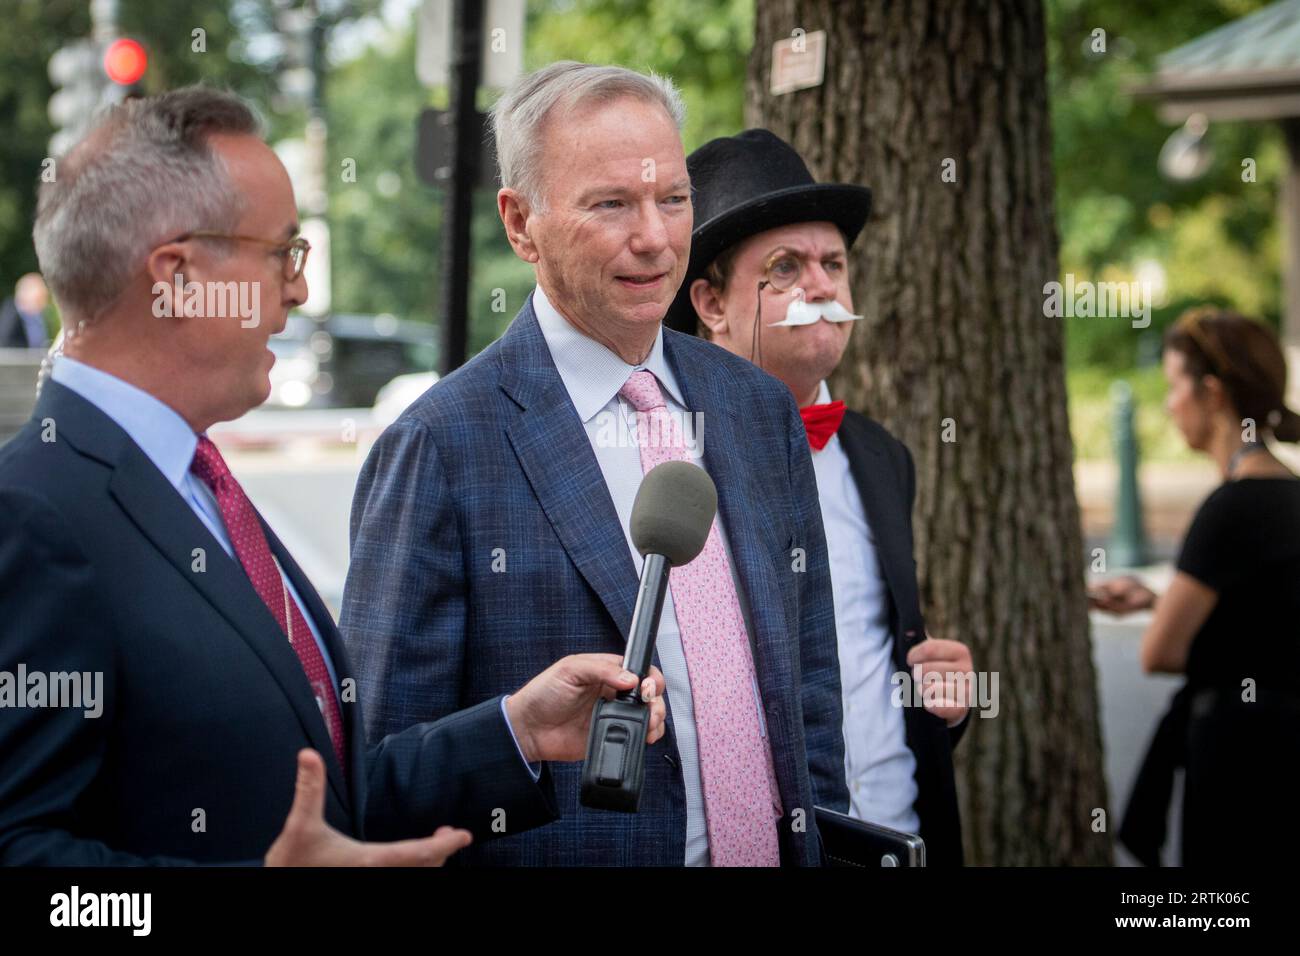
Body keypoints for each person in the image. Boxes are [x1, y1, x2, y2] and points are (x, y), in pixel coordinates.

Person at [0, 87, 666, 867]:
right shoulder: (34, 514)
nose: (301, 290)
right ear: (177, 276)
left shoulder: (194, 481)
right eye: (283, 252)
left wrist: (516, 732)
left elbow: (319, 798)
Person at [341, 63, 848, 867]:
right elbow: (373, 780)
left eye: (673, 199)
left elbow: (809, 691)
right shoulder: (440, 446)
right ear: (519, 223)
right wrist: (515, 731)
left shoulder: (756, 410)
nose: (654, 236)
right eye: (611, 204)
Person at [664, 129, 972, 865]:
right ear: (710, 301)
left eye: (833, 263)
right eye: (786, 267)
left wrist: (938, 706)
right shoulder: (668, 464)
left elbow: (871, 655)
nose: (823, 286)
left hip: (902, 840)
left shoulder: (880, 455)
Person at [1088, 307, 1300, 866]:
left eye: (1174, 385)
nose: (1167, 403)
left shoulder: (1229, 509)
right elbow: (1268, 614)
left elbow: (1162, 652)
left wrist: (1165, 618)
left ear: (1211, 393)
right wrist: (1161, 599)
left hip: (1238, 760)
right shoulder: (1289, 493)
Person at [0, 273, 51, 348]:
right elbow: (5, 344)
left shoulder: (36, 317)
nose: (43, 305)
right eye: (39, 300)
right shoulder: (11, 315)